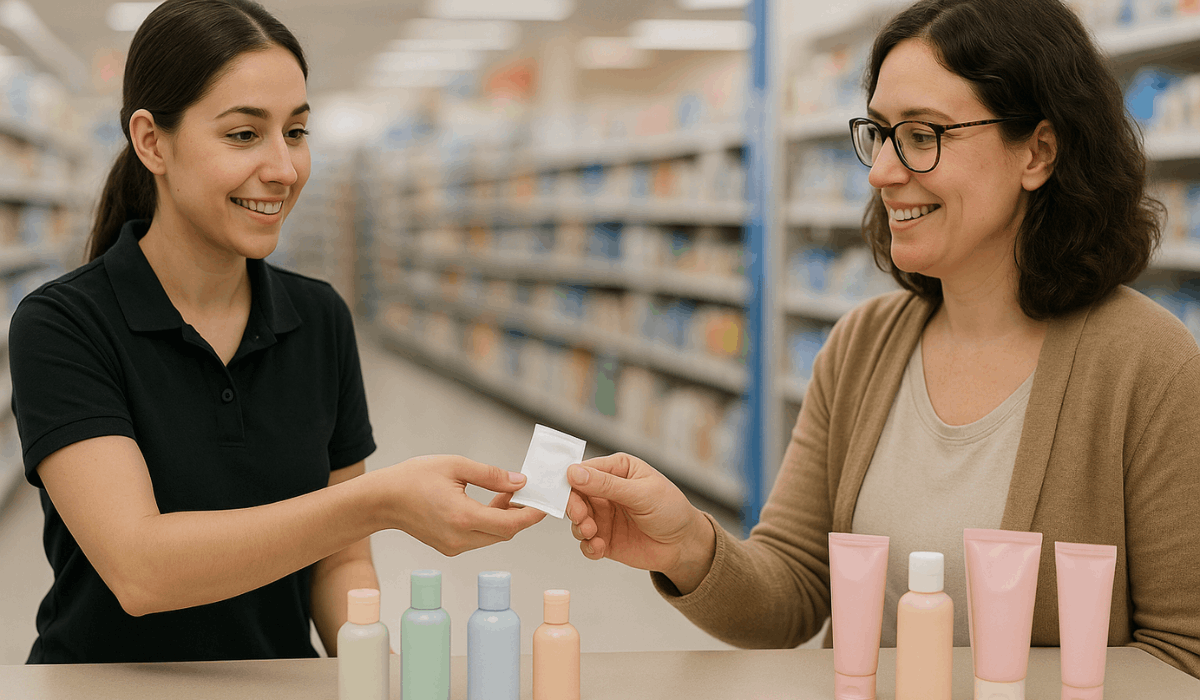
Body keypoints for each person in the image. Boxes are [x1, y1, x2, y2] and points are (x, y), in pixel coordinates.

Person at [565, 0, 1200, 679]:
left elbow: (1183, 651)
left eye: (923, 134)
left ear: (1038, 152)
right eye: (880, 132)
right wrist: (688, 543)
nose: (881, 172)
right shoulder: (862, 346)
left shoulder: (1151, 366)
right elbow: (798, 588)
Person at [7, 0, 543, 664]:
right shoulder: (63, 325)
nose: (285, 169)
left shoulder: (318, 319)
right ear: (152, 141)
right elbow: (141, 569)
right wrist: (378, 502)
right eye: (243, 135)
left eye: (296, 131)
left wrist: (375, 673)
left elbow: (338, 565)